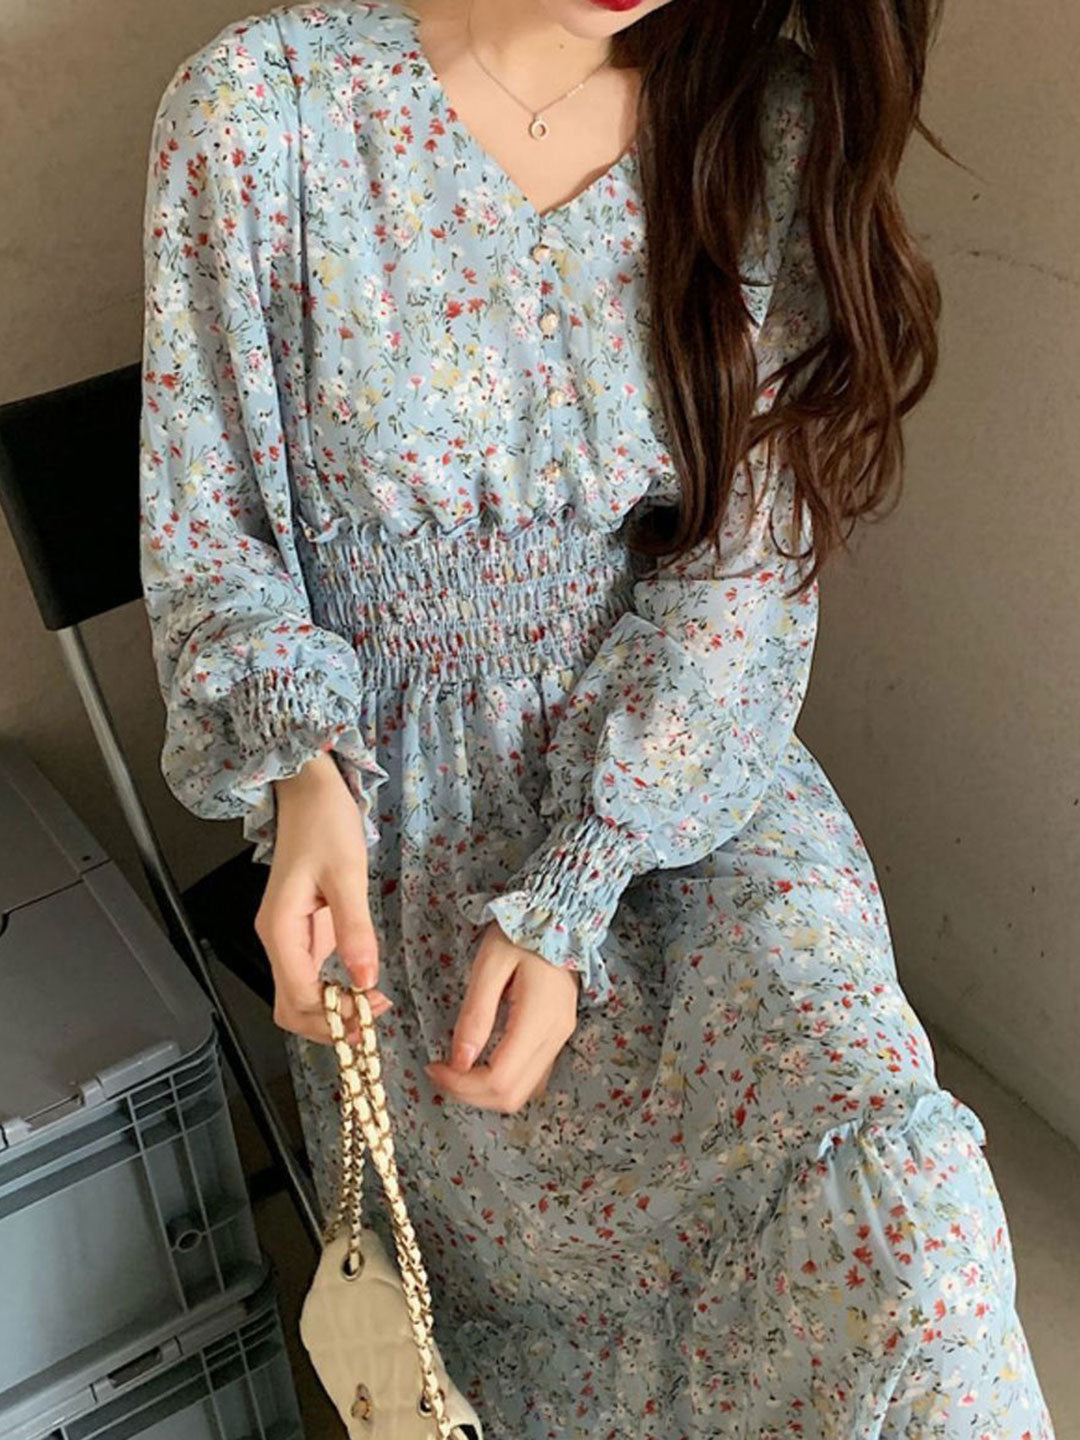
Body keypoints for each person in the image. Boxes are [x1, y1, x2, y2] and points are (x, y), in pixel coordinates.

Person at [138, 0, 1057, 1434]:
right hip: (408, 832)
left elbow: (743, 575)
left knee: (913, 1236)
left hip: (687, 786)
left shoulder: (764, 122)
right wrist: (303, 772)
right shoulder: (261, 114)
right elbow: (216, 540)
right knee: (535, 1331)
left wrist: (579, 878)